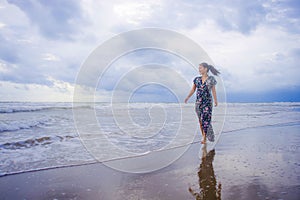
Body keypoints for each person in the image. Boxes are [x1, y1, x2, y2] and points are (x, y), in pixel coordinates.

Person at [184, 63, 220, 144]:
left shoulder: (211, 79)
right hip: (198, 103)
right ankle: (204, 136)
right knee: (200, 121)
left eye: (200, 68)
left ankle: (204, 137)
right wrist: (187, 97)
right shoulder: (196, 79)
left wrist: (216, 100)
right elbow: (193, 90)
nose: (199, 69)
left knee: (206, 121)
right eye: (199, 68)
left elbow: (213, 90)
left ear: (206, 69)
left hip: (207, 103)